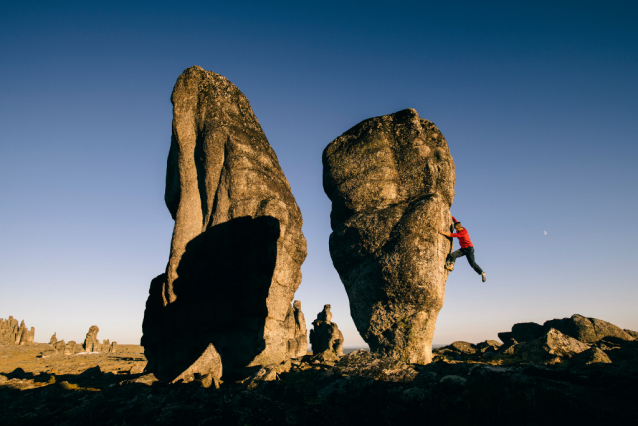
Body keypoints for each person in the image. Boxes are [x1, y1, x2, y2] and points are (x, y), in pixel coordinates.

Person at [438, 216, 486, 282]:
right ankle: (451, 266)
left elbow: (452, 235)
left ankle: (482, 273)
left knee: (472, 264)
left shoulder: (462, 233)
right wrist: (450, 216)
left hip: (469, 249)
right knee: (453, 254)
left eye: (456, 229)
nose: (455, 230)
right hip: (463, 249)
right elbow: (456, 221)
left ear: (458, 228)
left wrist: (443, 233)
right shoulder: (461, 228)